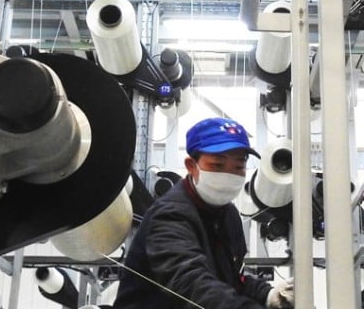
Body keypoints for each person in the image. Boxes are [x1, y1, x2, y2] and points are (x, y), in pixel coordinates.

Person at [113, 117, 294, 309]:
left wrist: (268, 294)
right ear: (191, 166)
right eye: (217, 165)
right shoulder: (169, 216)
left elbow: (233, 278)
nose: (229, 175)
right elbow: (193, 286)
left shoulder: (229, 215)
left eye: (239, 167)